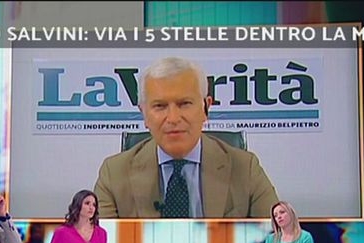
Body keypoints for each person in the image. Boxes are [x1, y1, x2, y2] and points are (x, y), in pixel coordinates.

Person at [94, 56, 279, 218]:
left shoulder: (246, 170)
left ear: (206, 108)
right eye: (160, 106)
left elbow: (279, 237)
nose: (173, 118)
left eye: (184, 104)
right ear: (144, 113)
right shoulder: (114, 174)